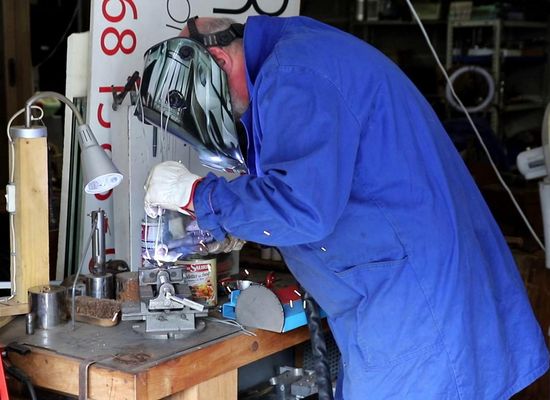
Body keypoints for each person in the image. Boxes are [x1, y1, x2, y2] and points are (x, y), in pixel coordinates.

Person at [143, 15, 549, 399]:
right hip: (401, 297)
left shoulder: (293, 74)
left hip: (415, 308)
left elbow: (302, 206)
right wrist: (237, 223)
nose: (230, 116)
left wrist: (199, 196)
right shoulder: (298, 57)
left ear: (219, 60)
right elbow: (317, 184)